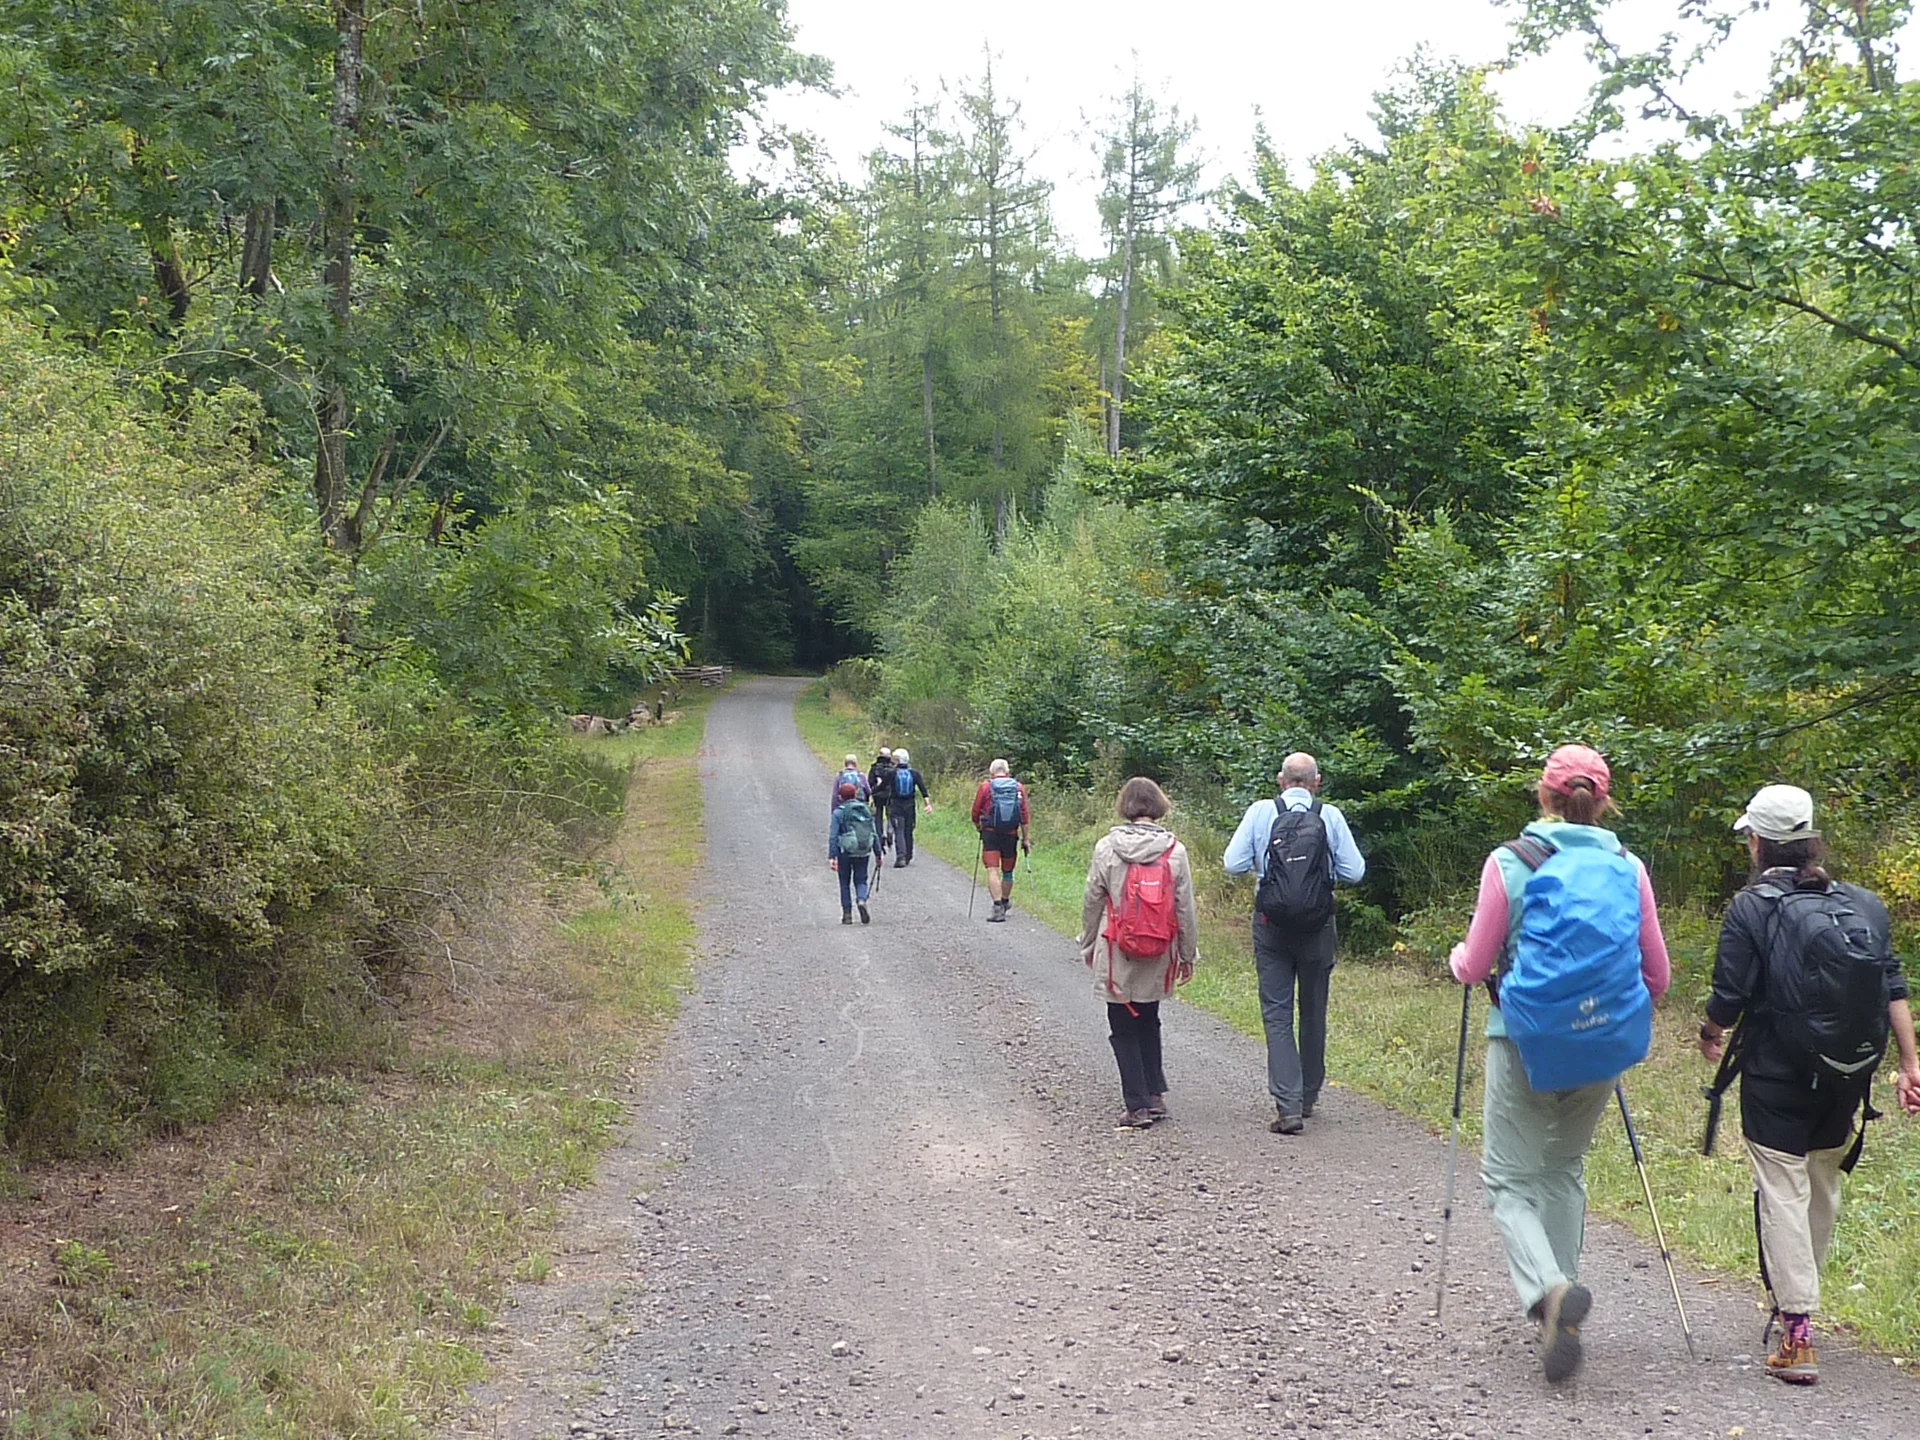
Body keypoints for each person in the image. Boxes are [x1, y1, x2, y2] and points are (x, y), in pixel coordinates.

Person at [1447, 744, 1671, 1384]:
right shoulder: (1629, 869)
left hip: (1521, 1038)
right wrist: (1600, 1010)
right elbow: (1657, 977)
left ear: (1542, 796)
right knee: (1563, 1168)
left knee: (1508, 1178)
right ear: (1602, 803)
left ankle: (1549, 1291)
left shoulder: (1510, 862)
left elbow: (1476, 962)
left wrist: (1458, 960)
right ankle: (1561, 1301)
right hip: (1602, 1045)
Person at [1698, 784, 1920, 1387]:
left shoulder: (1751, 907)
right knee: (1820, 1185)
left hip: (1776, 1073)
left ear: (1758, 842)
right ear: (1811, 840)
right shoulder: (1864, 905)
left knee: (1783, 1190)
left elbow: (1730, 994)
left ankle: (1797, 1330)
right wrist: (1909, 1062)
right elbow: (1892, 986)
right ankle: (1795, 1307)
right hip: (1850, 1075)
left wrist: (1710, 1032)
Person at [1223, 752, 1365, 1134]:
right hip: (1318, 926)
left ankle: (1288, 1105)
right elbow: (1355, 871)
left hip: (1271, 924)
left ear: (1280, 781)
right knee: (1314, 1008)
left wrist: (1267, 870)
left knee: (1277, 1012)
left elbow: (1232, 863)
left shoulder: (1259, 812)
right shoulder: (1329, 815)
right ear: (1317, 781)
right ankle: (1309, 1094)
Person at [1078, 778, 1199, 1128]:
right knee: (1149, 1018)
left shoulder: (1106, 847)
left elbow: (1092, 900)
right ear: (1159, 805)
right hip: (1159, 948)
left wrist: (1087, 943)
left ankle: (1136, 1106)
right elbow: (1184, 908)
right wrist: (1187, 954)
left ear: (1124, 806)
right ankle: (1155, 1094)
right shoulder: (1175, 850)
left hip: (1116, 946)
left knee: (1121, 1025)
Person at [970, 759, 1030, 922]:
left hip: (990, 833)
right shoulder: (1018, 788)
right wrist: (1026, 839)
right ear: (1007, 772)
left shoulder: (985, 787)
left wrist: (979, 827)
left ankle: (997, 907)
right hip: (1011, 834)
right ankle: (1004, 901)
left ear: (991, 773)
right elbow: (1024, 816)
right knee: (1008, 871)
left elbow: (975, 812)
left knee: (992, 869)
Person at [827, 781, 878, 925]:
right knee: (861, 879)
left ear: (840, 797)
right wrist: (878, 853)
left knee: (844, 882)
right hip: (863, 850)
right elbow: (873, 832)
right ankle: (861, 900)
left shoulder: (838, 812)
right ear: (855, 794)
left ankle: (847, 914)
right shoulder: (865, 810)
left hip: (845, 852)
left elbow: (833, 836)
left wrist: (832, 856)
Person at [887, 747, 932, 866]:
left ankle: (900, 857)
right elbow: (923, 789)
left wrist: (873, 792)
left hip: (896, 805)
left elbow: (883, 787)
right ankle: (909, 855)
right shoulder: (914, 773)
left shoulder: (892, 773)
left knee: (899, 830)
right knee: (908, 830)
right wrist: (928, 804)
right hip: (910, 805)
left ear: (897, 760)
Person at [867, 747, 897, 861]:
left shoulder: (874, 768)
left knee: (877, 819)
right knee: (890, 816)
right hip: (890, 797)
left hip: (877, 797)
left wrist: (871, 793)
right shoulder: (893, 768)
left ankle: (880, 839)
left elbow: (869, 783)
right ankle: (890, 831)